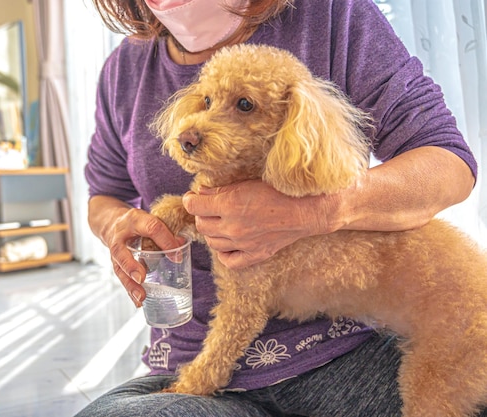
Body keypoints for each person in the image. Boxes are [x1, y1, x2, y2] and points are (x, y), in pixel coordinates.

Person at [77, 0, 480, 416]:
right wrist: (118, 226)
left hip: (349, 351)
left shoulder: (332, 15)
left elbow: (449, 162)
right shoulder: (124, 68)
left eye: (244, 106)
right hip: (190, 360)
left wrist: (315, 211)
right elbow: (104, 194)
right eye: (207, 101)